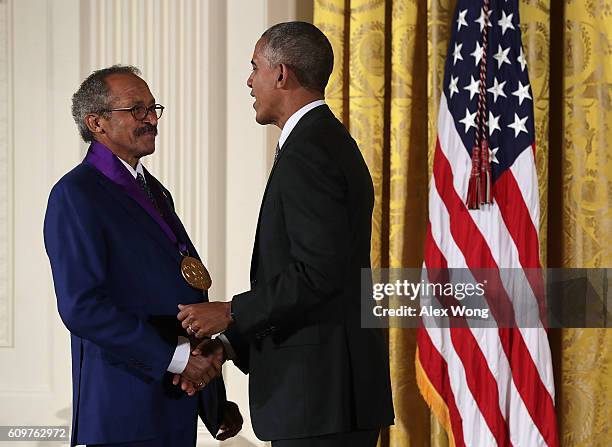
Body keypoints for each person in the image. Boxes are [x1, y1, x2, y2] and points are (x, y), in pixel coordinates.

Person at [177, 22, 394, 446]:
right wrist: (231, 344)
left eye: (254, 66)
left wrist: (232, 312)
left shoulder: (310, 150)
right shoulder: (321, 141)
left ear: (281, 74)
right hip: (326, 396)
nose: (249, 80)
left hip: (322, 399)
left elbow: (318, 273)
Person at [44, 65, 242, 447]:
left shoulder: (153, 190)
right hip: (124, 408)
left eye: (153, 108)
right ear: (97, 123)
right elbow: (82, 307)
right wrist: (178, 359)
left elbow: (182, 293)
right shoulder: (76, 194)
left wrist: (213, 399)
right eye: (136, 110)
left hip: (175, 400)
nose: (151, 119)